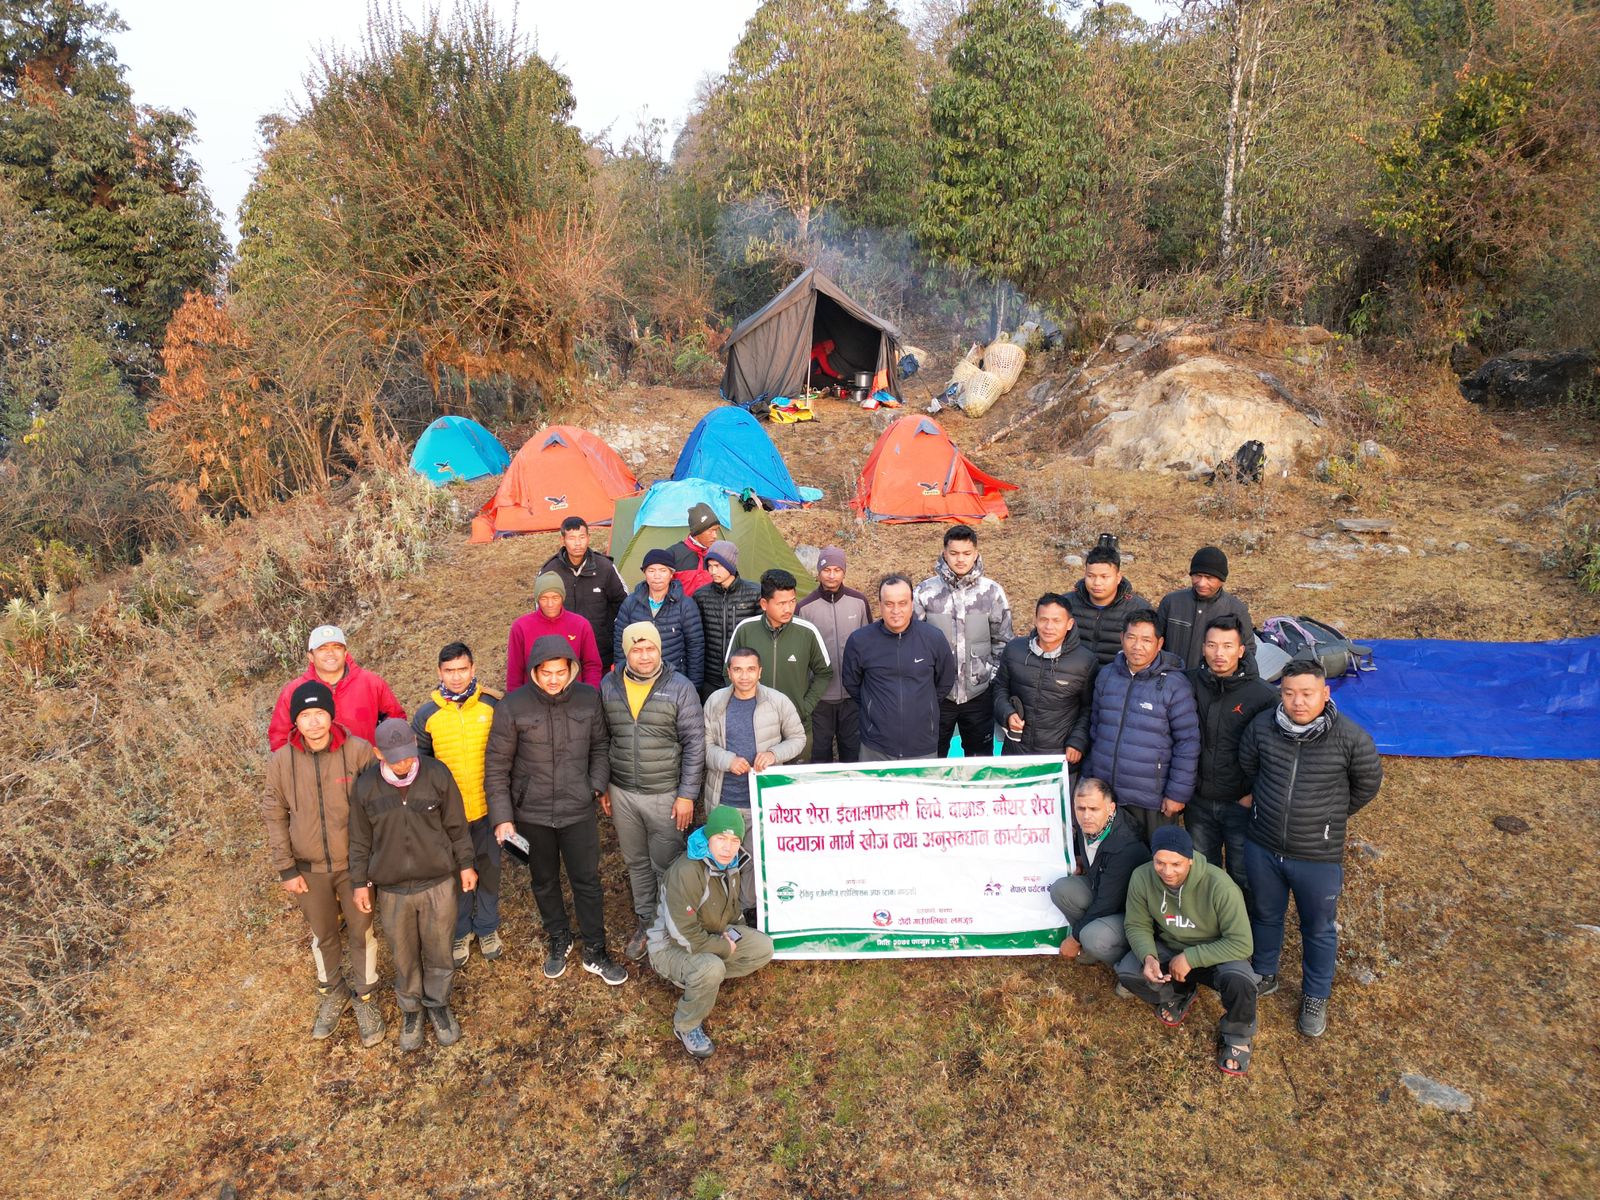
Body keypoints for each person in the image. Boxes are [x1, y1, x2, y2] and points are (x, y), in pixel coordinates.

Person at [1238, 659, 1383, 1038]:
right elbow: (1248, 765)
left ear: (1325, 693)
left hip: (1317, 854)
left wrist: (1328, 816)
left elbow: (1367, 785)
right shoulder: (1263, 728)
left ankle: (1315, 996)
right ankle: (1264, 971)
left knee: (1318, 929)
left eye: (1306, 694)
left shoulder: (1351, 738)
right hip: (1264, 844)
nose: (1297, 702)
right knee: (1265, 913)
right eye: (1288, 693)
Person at [484, 635, 627, 985]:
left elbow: (600, 745)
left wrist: (594, 785)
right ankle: (558, 937)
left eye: (560, 672)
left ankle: (595, 948)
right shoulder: (513, 706)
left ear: (571, 670)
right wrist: (503, 817)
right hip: (531, 815)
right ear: (534, 671)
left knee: (588, 881)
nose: (553, 679)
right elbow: (496, 765)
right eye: (546, 672)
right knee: (544, 881)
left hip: (577, 809)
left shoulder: (587, 698)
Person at [260, 680, 385, 1047]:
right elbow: (274, 813)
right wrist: (286, 868)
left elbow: (378, 805)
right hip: (308, 869)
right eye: (305, 715)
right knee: (324, 935)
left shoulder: (359, 751)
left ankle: (365, 997)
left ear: (331, 715)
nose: (313, 722)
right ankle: (333, 990)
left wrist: (374, 862)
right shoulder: (282, 761)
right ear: (295, 721)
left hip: (355, 868)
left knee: (362, 932)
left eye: (319, 713)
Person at [349, 719, 477, 1051]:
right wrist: (359, 882)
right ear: (377, 753)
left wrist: (466, 864)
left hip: (437, 883)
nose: (404, 763)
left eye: (408, 755)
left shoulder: (436, 774)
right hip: (392, 890)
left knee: (439, 950)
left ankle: (438, 1004)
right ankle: (411, 1009)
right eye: (395, 758)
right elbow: (359, 840)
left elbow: (457, 825)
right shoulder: (365, 787)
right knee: (403, 956)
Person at [599, 621, 706, 962]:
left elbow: (694, 744)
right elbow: (602, 738)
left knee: (667, 864)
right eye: (637, 649)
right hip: (623, 791)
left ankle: (670, 923)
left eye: (650, 649)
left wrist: (687, 794)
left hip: (665, 792)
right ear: (626, 652)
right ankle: (646, 921)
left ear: (660, 650)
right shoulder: (609, 686)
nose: (644, 656)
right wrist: (602, 785)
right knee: (635, 861)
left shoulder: (679, 687)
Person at [1117, 826, 1258, 1076]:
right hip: (1171, 947)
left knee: (1241, 982)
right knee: (1130, 973)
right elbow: (1136, 924)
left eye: (1176, 864)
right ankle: (1180, 992)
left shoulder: (1220, 887)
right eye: (1160, 863)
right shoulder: (1142, 877)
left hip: (1215, 954)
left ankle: (1237, 1034)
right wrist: (1148, 956)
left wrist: (1192, 957)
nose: (1167, 871)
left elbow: (1242, 943)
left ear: (1190, 860)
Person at [645, 806, 774, 1059]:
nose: (728, 847)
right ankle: (686, 1024)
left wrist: (737, 934)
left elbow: (733, 909)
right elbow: (684, 936)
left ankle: (706, 980)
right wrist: (725, 948)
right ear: (708, 837)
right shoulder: (686, 872)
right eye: (721, 839)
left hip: (714, 931)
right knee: (711, 967)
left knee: (763, 948)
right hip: (670, 947)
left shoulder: (731, 862)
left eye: (734, 840)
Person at [411, 642, 502, 968]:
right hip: (449, 816)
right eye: (449, 671)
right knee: (456, 875)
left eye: (462, 669)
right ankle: (462, 930)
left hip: (489, 808)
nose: (457, 677)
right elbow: (419, 766)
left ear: (473, 669)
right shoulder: (427, 715)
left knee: (489, 869)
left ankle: (488, 927)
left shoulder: (492, 705)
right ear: (439, 673)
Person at [703, 646, 807, 918]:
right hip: (724, 799)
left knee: (753, 860)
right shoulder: (716, 702)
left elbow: (798, 738)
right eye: (738, 669)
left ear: (760, 671)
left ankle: (748, 911)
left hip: (760, 799)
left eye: (750, 669)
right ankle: (720, 912)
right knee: (722, 857)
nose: (744, 676)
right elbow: (703, 745)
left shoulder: (777, 701)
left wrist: (774, 754)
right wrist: (727, 760)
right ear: (729, 672)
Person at [1083, 609, 1200, 841]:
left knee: (1151, 861)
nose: (1137, 646)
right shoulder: (1106, 676)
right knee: (1111, 860)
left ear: (1160, 644)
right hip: (1108, 794)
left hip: (1151, 800)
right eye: (1131, 637)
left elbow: (1187, 743)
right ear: (1121, 638)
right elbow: (1096, 729)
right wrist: (1090, 777)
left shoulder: (1175, 685)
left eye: (1146, 640)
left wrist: (1177, 794)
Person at [1185, 615, 1276, 897]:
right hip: (1198, 802)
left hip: (1241, 804)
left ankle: (1246, 936)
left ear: (1241, 650)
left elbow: (1274, 754)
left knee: (1243, 875)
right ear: (1203, 648)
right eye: (1212, 645)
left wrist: (1253, 794)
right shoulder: (1188, 683)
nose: (1219, 654)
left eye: (1227, 646)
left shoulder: (1262, 695)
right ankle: (1209, 932)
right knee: (1202, 874)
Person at [914, 524, 1013, 758]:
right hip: (937, 695)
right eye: (954, 553)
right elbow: (914, 643)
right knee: (931, 757)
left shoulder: (992, 592)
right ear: (944, 553)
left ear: (976, 553)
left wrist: (991, 676)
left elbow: (1003, 641)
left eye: (966, 553)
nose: (960, 559)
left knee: (980, 761)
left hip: (979, 694)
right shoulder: (924, 592)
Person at [840, 574, 956, 761]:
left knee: (922, 792)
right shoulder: (860, 641)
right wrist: (874, 707)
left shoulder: (933, 638)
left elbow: (945, 680)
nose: (896, 611)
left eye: (902, 603)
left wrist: (924, 706)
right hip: (875, 746)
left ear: (912, 604)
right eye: (889, 604)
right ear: (880, 605)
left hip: (922, 744)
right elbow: (852, 683)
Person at [725, 569, 832, 746]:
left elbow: (825, 673)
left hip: (796, 727)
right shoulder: (745, 630)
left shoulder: (807, 632)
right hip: (753, 727)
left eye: (792, 602)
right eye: (781, 603)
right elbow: (727, 673)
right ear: (764, 604)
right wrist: (743, 707)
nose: (788, 608)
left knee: (794, 774)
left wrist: (804, 707)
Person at [1048, 778, 1145, 970]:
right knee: (1061, 889)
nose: (1086, 816)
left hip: (1132, 915)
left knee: (1092, 936)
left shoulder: (1125, 845)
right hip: (1104, 891)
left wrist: (1075, 938)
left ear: (1110, 808)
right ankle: (1092, 948)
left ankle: (1132, 969)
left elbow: (1106, 905)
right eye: (1080, 808)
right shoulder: (1091, 829)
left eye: (1094, 809)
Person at [991, 592, 1096, 760]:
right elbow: (999, 688)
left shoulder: (1085, 661)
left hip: (1059, 755)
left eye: (1056, 621)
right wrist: (1007, 713)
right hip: (1015, 750)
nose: (1048, 627)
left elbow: (1089, 708)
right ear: (1035, 620)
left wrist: (1078, 741)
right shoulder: (1014, 650)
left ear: (1069, 624)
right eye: (1043, 619)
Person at [267, 624, 405, 750]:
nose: (330, 653)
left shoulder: (371, 683)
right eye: (322, 648)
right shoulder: (294, 691)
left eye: (336, 647)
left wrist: (385, 758)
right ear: (310, 656)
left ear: (345, 653)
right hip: (319, 773)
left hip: (367, 768)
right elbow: (279, 738)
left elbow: (396, 721)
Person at [796, 545, 871, 762]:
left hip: (852, 696)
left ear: (844, 572)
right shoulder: (805, 607)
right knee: (820, 754)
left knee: (852, 752)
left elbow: (870, 645)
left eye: (837, 570)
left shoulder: (859, 602)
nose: (831, 575)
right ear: (818, 572)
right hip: (819, 698)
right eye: (826, 569)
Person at [539, 515, 627, 672]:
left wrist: (608, 631)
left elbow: (624, 602)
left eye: (582, 537)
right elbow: (541, 610)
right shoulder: (550, 571)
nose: (577, 543)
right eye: (572, 538)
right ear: (563, 540)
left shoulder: (605, 567)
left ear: (588, 538)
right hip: (563, 652)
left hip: (601, 650)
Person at [614, 549, 705, 690]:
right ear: (644, 573)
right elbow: (620, 643)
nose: (657, 576)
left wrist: (694, 687)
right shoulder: (630, 603)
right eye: (651, 570)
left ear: (671, 574)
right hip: (638, 677)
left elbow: (695, 648)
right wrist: (621, 679)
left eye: (662, 570)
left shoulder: (685, 605)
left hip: (674, 680)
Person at [1156, 546, 1255, 670]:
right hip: (1171, 680)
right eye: (1197, 575)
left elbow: (1248, 652)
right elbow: (1155, 641)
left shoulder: (1236, 610)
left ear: (1222, 580)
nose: (1202, 583)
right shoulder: (1171, 602)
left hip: (1212, 685)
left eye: (1209, 578)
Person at [506, 572, 602, 693]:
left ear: (563, 597)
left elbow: (592, 665)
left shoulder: (580, 625)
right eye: (544, 598)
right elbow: (515, 670)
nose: (550, 604)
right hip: (533, 698)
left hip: (573, 697)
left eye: (555, 598)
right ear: (537, 599)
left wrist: (590, 694)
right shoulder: (521, 627)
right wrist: (515, 701)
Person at [1065, 536, 1152, 667]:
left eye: (1104, 577)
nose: (1097, 583)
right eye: (1091, 576)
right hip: (1072, 676)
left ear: (1118, 578)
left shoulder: (1139, 609)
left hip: (1115, 679)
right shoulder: (1066, 603)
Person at [694, 540, 761, 697]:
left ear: (730, 565)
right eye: (709, 566)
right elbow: (697, 637)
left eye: (717, 566)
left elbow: (761, 635)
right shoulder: (701, 596)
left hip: (743, 676)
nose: (712, 571)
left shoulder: (754, 593)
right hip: (710, 677)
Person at [668, 501, 723, 595]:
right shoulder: (673, 554)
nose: (715, 536)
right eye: (711, 531)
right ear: (698, 531)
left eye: (716, 531)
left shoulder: (717, 555)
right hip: (683, 609)